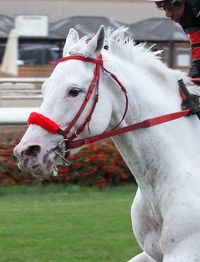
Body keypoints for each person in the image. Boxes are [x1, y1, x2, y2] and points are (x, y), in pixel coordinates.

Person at [149, 0, 200, 115]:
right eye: (163, 8)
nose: (167, 14)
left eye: (168, 6)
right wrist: (187, 87)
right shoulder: (193, 23)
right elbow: (199, 63)